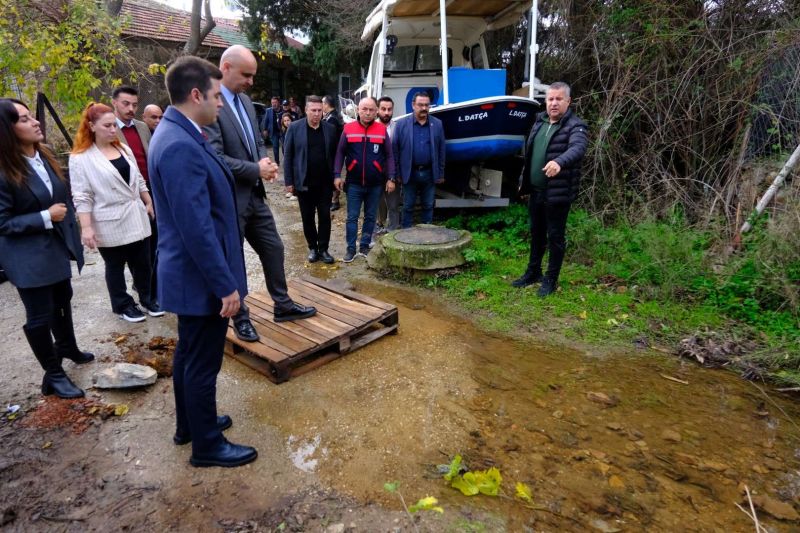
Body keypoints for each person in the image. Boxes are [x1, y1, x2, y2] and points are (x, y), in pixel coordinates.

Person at [148, 55, 256, 468]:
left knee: (189, 355)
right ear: (196, 95)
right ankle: (207, 446)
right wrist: (225, 285)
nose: (222, 103)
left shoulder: (181, 133)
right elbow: (197, 229)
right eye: (216, 95)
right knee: (202, 363)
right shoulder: (179, 145)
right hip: (199, 279)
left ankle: (191, 424)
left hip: (192, 276)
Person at [204, 45, 316, 343]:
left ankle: (283, 305)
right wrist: (255, 168)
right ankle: (240, 319)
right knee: (235, 260)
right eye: (247, 75)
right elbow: (215, 158)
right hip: (229, 200)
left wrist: (265, 163)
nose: (252, 81)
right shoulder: (211, 106)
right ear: (225, 67)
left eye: (253, 76)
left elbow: (257, 143)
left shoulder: (244, 101)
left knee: (274, 249)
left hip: (255, 196)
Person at [0, 98, 92, 399]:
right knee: (39, 316)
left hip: (53, 248)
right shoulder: (4, 170)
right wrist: (44, 217)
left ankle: (68, 347)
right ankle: (54, 374)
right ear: (7, 129)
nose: (35, 122)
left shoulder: (44, 156)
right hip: (27, 256)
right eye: (24, 119)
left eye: (31, 116)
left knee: (62, 299)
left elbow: (60, 196)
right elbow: (3, 223)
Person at [69, 102, 161, 322]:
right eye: (107, 125)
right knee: (115, 266)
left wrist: (148, 201)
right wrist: (87, 227)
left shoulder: (123, 148)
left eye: (113, 125)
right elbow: (82, 196)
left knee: (143, 262)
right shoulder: (81, 158)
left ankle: (147, 298)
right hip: (108, 220)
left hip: (136, 214)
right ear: (91, 126)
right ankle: (122, 305)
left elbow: (138, 178)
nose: (113, 129)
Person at [512, 81, 588, 297]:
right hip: (536, 191)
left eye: (558, 99)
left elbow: (578, 148)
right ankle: (533, 273)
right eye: (550, 99)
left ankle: (551, 280)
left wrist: (560, 162)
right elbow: (530, 156)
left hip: (557, 194)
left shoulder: (576, 126)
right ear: (545, 101)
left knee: (555, 237)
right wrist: (523, 180)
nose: (553, 103)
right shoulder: (539, 122)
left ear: (568, 101)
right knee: (536, 234)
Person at [111, 86, 158, 306]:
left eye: (134, 104)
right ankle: (138, 289)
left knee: (153, 241)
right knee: (132, 246)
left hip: (150, 191)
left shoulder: (141, 127)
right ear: (114, 103)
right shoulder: (109, 130)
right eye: (125, 104)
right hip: (126, 195)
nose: (131, 108)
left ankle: (151, 288)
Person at [333, 97, 396, 262]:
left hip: (375, 184)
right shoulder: (348, 129)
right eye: (364, 109)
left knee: (370, 217)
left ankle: (364, 246)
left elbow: (389, 155)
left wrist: (391, 177)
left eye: (371, 110)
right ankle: (351, 248)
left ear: (376, 111)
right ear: (358, 110)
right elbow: (340, 153)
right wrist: (337, 175)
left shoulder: (381, 130)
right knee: (352, 217)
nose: (368, 113)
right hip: (353, 184)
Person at [283, 96, 337, 264]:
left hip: (325, 184)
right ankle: (313, 248)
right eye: (313, 110)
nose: (316, 114)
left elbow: (334, 156)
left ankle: (324, 249)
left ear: (323, 111)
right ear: (306, 110)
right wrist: (289, 182)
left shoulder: (330, 129)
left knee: (324, 217)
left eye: (319, 110)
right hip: (303, 183)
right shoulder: (295, 128)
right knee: (307, 217)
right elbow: (288, 156)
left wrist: (336, 177)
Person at [393, 92, 446, 228]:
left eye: (426, 105)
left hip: (429, 173)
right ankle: (406, 235)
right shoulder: (400, 124)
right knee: (408, 205)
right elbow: (395, 151)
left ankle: (426, 233)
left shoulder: (437, 124)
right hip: (409, 172)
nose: (424, 108)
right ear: (413, 105)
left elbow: (441, 150)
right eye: (420, 105)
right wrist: (397, 173)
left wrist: (440, 173)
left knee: (428, 205)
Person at [375, 96, 398, 232]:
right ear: (378, 110)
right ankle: (379, 223)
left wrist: (394, 176)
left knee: (393, 203)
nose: (386, 112)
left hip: (392, 172)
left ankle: (393, 229)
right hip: (375, 173)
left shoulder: (398, 127)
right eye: (383, 109)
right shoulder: (371, 126)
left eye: (389, 109)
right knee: (377, 202)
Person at [322, 95, 344, 212]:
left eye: (322, 103)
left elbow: (331, 139)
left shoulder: (332, 119)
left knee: (334, 175)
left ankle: (335, 201)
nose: (321, 106)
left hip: (333, 152)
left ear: (326, 104)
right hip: (332, 152)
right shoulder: (330, 116)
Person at [279, 113, 298, 201]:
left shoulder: (294, 130)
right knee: (287, 169)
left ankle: (295, 192)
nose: (287, 122)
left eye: (288, 120)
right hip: (287, 155)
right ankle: (291, 189)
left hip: (294, 155)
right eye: (285, 121)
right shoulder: (284, 131)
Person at [260, 96, 282, 164]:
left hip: (282, 131)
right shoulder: (268, 110)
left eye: (275, 102)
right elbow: (266, 121)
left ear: (278, 103)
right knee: (275, 147)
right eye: (272, 102)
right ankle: (277, 162)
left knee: (285, 146)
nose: (273, 104)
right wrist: (265, 130)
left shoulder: (282, 110)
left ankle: (286, 160)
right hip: (274, 131)